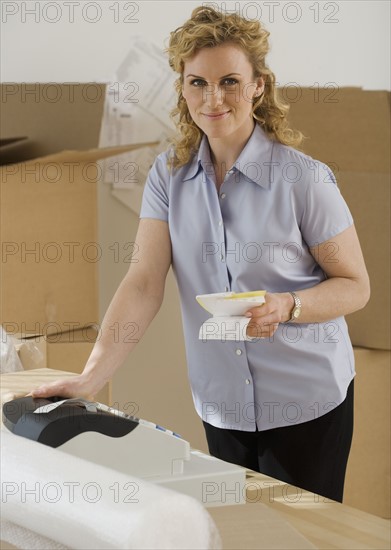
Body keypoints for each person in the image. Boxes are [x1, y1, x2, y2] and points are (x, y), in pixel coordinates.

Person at [31, 6, 370, 502]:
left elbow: (356, 286)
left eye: (230, 81)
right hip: (223, 404)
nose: (213, 98)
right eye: (198, 82)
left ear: (258, 85)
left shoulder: (304, 179)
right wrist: (91, 376)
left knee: (303, 538)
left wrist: (289, 307)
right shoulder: (169, 179)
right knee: (239, 534)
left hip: (308, 403)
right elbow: (144, 282)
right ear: (182, 88)